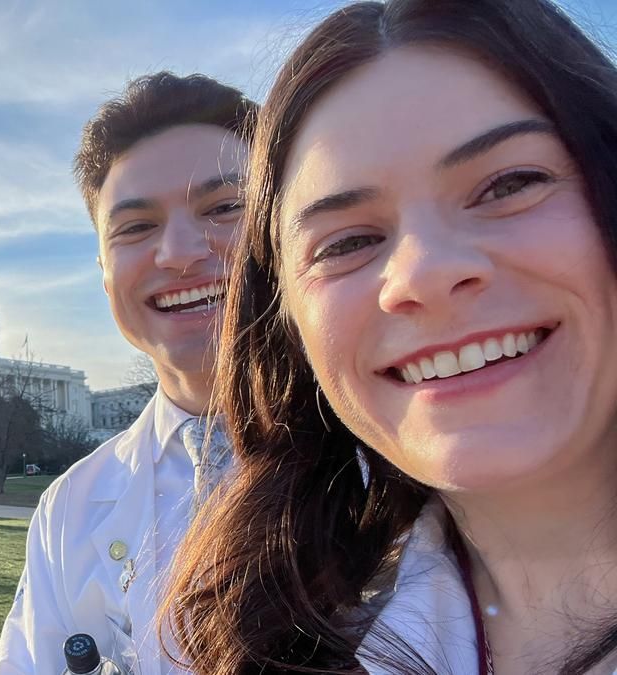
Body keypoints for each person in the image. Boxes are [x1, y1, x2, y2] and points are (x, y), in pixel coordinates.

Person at [164, 1, 617, 673]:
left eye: (509, 184)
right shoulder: (292, 646)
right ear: (288, 328)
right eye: (347, 242)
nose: (424, 274)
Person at [0, 72, 255, 675]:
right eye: (136, 227)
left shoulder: (418, 463)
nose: (181, 252)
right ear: (104, 270)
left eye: (223, 208)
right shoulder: (71, 510)